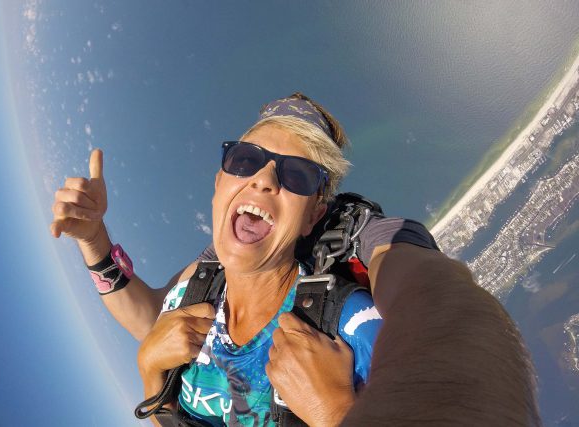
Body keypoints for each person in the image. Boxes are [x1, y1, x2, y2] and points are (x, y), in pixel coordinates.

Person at [50, 93, 541, 426]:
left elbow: (448, 325)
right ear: (221, 182)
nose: (263, 179)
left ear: (313, 218)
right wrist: (94, 242)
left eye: (297, 175)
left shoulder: (345, 333)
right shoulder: (203, 282)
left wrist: (337, 416)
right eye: (245, 160)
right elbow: (151, 319)